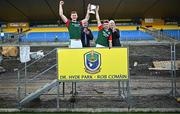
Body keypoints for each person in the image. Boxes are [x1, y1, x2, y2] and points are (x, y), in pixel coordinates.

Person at [59, 1, 90, 95]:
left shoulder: (80, 23)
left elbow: (87, 18)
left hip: (79, 42)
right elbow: (61, 14)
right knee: (72, 59)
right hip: (72, 42)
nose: (74, 16)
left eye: (75, 15)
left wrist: (88, 9)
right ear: (71, 16)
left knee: (79, 58)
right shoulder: (68, 23)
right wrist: (60, 5)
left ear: (76, 16)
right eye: (72, 15)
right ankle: (71, 71)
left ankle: (79, 71)